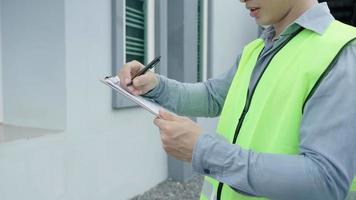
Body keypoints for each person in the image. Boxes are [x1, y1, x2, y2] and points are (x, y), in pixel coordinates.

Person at [118, 0, 356, 199]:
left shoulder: (343, 51)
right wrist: (154, 85)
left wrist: (206, 151)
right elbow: (212, 97)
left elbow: (325, 180)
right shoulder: (256, 49)